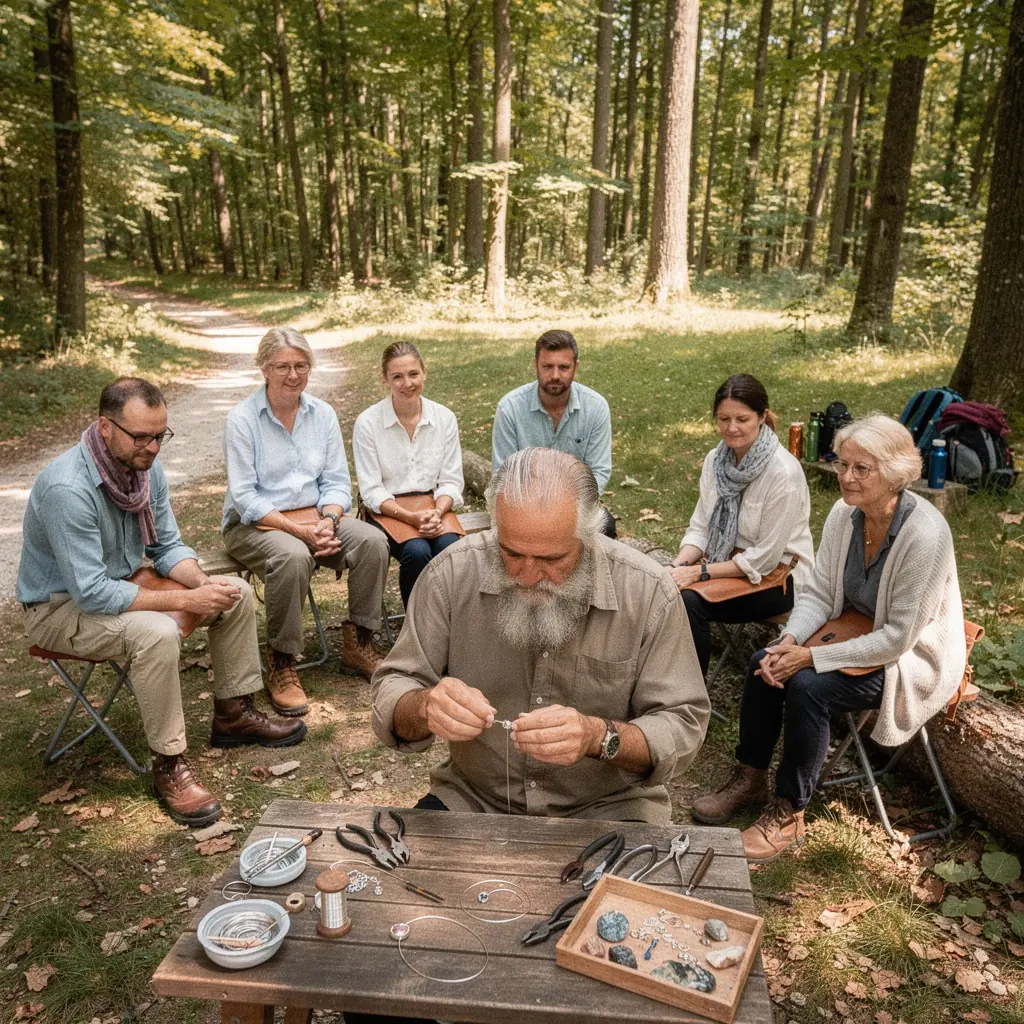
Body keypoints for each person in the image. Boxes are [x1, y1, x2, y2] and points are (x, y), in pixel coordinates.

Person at [17, 378, 306, 828]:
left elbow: (167, 547)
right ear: (105, 427)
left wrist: (205, 585)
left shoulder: (144, 469)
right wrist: (187, 598)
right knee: (157, 631)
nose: (152, 448)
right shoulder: (67, 489)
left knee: (236, 594)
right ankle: (169, 764)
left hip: (126, 582)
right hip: (59, 609)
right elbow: (91, 592)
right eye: (141, 436)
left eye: (160, 435)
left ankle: (234, 714)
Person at [371, 447, 710, 823]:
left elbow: (682, 723)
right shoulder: (450, 575)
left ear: (589, 536)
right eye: (510, 553)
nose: (528, 575)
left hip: (610, 807)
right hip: (474, 799)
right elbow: (395, 686)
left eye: (551, 560)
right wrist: (424, 706)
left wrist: (597, 736)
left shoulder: (647, 592)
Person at [691, 416, 966, 862]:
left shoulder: (926, 535)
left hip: (911, 658)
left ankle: (790, 811)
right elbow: (818, 592)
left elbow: (897, 639)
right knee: (765, 665)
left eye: (862, 469)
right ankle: (750, 777)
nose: (846, 477)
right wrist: (790, 641)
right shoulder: (844, 515)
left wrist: (809, 660)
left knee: (809, 688)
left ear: (895, 474)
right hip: (856, 629)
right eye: (844, 465)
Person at [222, 328, 389, 713]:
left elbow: (334, 482)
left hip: (315, 518)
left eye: (301, 365)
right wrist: (300, 532)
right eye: (282, 366)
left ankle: (360, 643)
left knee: (372, 541)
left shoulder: (322, 414)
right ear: (263, 368)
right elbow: (245, 497)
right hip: (254, 524)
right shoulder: (243, 419)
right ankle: (281, 661)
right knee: (293, 555)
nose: (292, 375)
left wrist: (328, 522)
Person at [670, 374, 814, 676]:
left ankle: (690, 699)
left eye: (742, 419)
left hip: (778, 577)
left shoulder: (783, 473)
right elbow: (701, 528)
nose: (732, 428)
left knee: (688, 602)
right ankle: (660, 685)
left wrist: (697, 572)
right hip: (728, 564)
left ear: (762, 417)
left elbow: (764, 559)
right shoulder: (716, 460)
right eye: (724, 419)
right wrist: (677, 567)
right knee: (663, 588)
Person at [353, 342, 464, 608]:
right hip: (388, 510)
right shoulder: (368, 423)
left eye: (413, 374)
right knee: (417, 552)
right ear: (385, 380)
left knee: (452, 548)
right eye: (397, 377)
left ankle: (450, 623)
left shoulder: (444, 418)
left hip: (433, 506)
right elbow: (372, 491)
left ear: (424, 372)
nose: (407, 383)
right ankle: (415, 629)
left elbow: (450, 479)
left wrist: (437, 513)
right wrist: (410, 517)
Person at [492, 329, 617, 538]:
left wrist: (562, 509)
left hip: (575, 505)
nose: (555, 375)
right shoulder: (510, 408)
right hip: (523, 505)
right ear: (535, 365)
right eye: (547, 367)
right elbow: (502, 474)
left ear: (576, 367)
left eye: (564, 367)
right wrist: (536, 509)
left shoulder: (596, 407)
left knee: (606, 527)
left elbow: (599, 472)